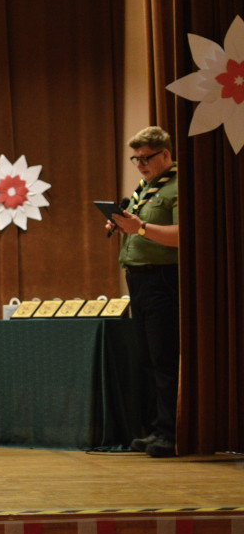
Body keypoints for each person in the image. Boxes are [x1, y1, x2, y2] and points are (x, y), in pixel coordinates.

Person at [108, 126, 179, 458]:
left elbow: (183, 235)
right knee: (148, 359)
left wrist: (141, 228)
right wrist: (121, 225)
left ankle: (170, 433)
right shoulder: (144, 189)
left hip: (164, 279)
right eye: (135, 159)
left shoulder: (177, 187)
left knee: (164, 357)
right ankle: (154, 430)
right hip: (138, 280)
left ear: (165, 154)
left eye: (145, 158)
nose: (140, 165)